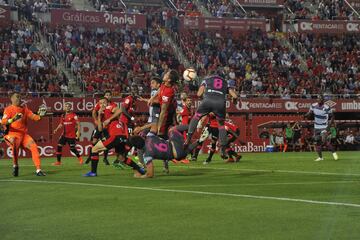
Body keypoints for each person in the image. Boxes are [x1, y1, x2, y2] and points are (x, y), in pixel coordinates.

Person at [83, 98, 145, 177]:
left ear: (107, 103)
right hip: (120, 136)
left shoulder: (109, 108)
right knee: (121, 158)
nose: (102, 104)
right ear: (98, 105)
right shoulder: (102, 115)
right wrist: (98, 115)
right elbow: (100, 129)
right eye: (100, 103)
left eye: (104, 102)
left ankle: (93, 172)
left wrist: (109, 119)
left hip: (115, 135)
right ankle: (140, 169)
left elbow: (120, 111)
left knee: (94, 149)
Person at [184, 72, 238, 159]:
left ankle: (188, 139)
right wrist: (234, 100)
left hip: (207, 100)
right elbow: (234, 96)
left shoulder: (206, 80)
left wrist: (205, 98)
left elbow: (199, 94)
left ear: (210, 75)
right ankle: (223, 150)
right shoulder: (225, 82)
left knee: (196, 116)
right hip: (220, 103)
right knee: (221, 125)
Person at [131, 123, 209, 178]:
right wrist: (141, 128)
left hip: (177, 156)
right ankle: (195, 126)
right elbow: (154, 124)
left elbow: (150, 174)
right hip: (174, 144)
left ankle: (199, 141)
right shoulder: (149, 136)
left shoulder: (146, 155)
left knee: (185, 151)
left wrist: (140, 177)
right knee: (173, 129)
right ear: (142, 138)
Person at [1, 92, 47, 176]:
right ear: (11, 99)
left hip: (24, 135)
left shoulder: (25, 109)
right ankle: (15, 165)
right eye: (17, 97)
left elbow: (35, 117)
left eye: (19, 97)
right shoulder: (8, 109)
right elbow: (3, 122)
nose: (19, 98)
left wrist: (40, 116)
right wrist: (13, 119)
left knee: (34, 147)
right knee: (14, 143)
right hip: (12, 134)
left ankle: (38, 170)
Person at [86, 90, 117, 165]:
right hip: (100, 125)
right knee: (93, 141)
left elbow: (117, 113)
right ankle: (90, 156)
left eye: (109, 95)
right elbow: (94, 112)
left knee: (106, 142)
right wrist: (96, 120)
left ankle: (105, 158)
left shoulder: (113, 105)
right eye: (106, 95)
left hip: (108, 127)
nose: (108, 96)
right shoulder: (100, 103)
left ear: (111, 96)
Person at [305, 95, 338, 161]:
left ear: (323, 100)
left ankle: (334, 153)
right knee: (317, 142)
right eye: (318, 98)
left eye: (320, 99)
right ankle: (320, 157)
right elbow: (310, 113)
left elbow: (332, 116)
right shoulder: (313, 105)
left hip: (324, 127)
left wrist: (328, 127)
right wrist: (305, 115)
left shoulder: (327, 107)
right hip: (316, 127)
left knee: (324, 141)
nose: (319, 100)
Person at [148, 70, 179, 139]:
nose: (164, 74)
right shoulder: (163, 83)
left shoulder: (168, 92)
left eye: (166, 74)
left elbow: (164, 111)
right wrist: (152, 98)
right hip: (162, 115)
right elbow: (160, 90)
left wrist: (159, 127)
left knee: (161, 137)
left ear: (169, 79)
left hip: (166, 119)